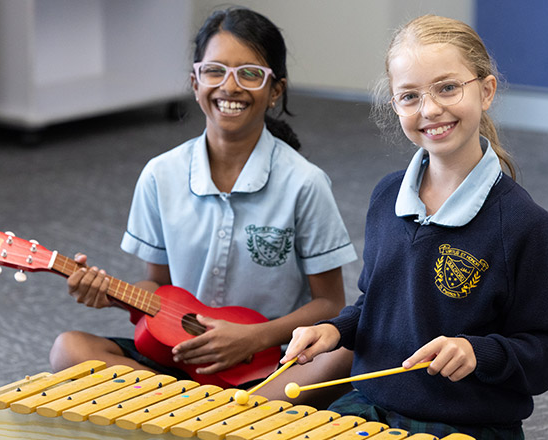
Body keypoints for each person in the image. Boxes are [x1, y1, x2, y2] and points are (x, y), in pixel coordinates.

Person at [281, 14, 548, 439]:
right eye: (410, 96)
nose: (431, 109)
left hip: (466, 423)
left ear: (487, 90)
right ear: (395, 106)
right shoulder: (387, 197)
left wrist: (478, 352)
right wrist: (335, 329)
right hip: (371, 407)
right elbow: (379, 304)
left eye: (447, 87)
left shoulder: (525, 226)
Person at [49, 7, 357, 385]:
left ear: (275, 90)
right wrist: (108, 292)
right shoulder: (160, 175)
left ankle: (175, 410)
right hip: (177, 356)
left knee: (340, 358)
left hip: (265, 361)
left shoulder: (305, 183)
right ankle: (223, 414)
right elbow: (159, 286)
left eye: (250, 74)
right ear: (195, 83)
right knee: (69, 349)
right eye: (215, 71)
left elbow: (330, 305)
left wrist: (250, 338)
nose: (230, 87)